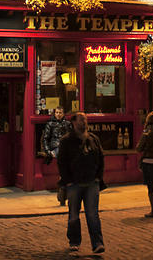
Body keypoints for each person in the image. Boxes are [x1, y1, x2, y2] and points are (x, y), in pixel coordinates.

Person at [57, 112, 106, 254]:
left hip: (92, 182)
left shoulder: (93, 139)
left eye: (85, 120)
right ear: (73, 122)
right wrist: (68, 181)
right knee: (73, 214)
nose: (84, 122)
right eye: (81, 120)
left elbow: (101, 157)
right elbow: (62, 162)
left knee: (93, 214)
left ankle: (97, 243)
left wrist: (98, 177)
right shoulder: (66, 140)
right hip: (74, 183)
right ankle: (74, 242)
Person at [41, 106, 70, 206]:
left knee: (65, 169)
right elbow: (45, 138)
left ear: (63, 114)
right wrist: (48, 151)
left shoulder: (67, 124)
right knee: (64, 168)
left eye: (60, 112)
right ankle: (63, 190)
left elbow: (71, 136)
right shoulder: (50, 124)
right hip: (56, 148)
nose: (58, 114)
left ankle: (63, 190)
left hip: (65, 148)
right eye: (57, 112)